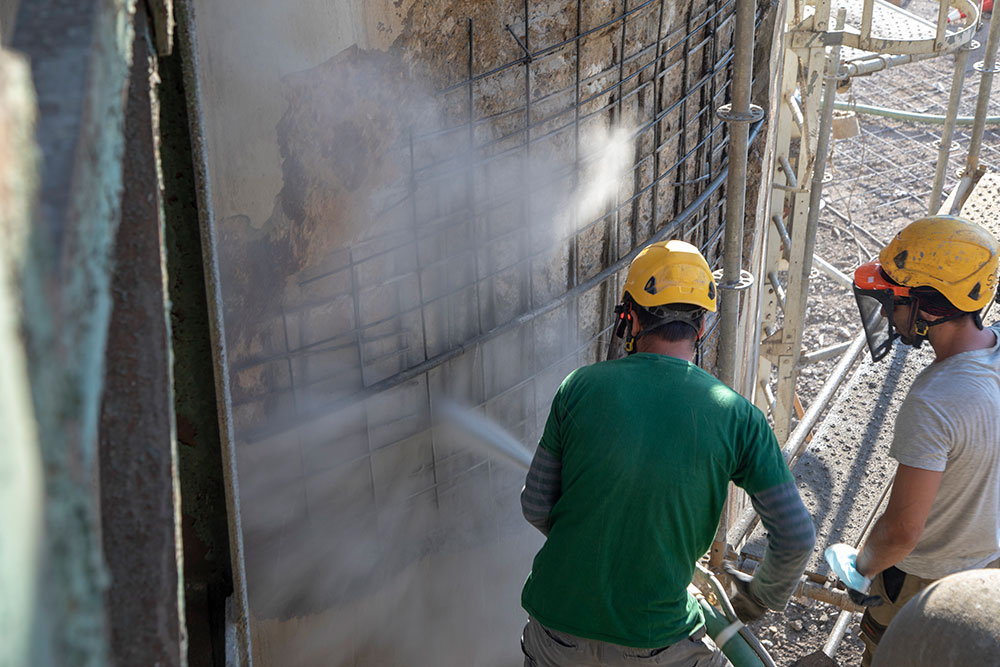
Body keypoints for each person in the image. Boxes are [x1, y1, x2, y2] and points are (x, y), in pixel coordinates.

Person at [518, 240, 816, 667]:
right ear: (702, 326)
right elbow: (796, 537)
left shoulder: (578, 387)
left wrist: (598, 547)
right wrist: (755, 599)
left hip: (554, 633)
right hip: (657, 645)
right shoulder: (738, 417)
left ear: (632, 317)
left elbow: (535, 506)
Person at [829, 215, 1000, 666]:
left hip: (927, 585)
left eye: (894, 299)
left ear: (930, 308)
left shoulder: (936, 400)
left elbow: (903, 531)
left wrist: (861, 567)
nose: (886, 311)